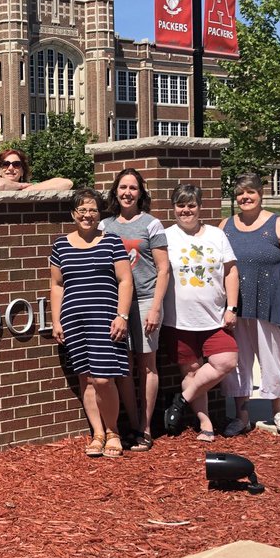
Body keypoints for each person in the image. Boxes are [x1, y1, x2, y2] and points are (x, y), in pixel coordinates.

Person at [220, 171, 280, 436]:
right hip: (237, 306)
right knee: (239, 361)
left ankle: (278, 410)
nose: (245, 197)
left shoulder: (278, 224)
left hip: (271, 303)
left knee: (272, 359)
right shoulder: (226, 226)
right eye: (240, 194)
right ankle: (241, 415)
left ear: (261, 194)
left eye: (250, 192)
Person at [49, 188, 133, 458]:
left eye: (93, 210)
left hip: (106, 320)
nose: (87, 215)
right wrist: (56, 321)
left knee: (104, 378)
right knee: (86, 379)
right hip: (74, 320)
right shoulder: (61, 245)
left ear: (100, 213)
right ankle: (97, 434)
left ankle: (113, 431)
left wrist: (122, 316)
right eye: (82, 210)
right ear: (73, 213)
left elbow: (125, 281)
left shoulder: (112, 241)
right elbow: (57, 285)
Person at [161, 183, 240, 443]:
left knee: (226, 360)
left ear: (200, 207)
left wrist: (231, 307)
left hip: (214, 317)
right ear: (174, 208)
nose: (186, 210)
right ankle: (205, 422)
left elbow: (230, 271)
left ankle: (180, 400)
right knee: (193, 373)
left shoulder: (216, 236)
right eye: (181, 205)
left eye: (191, 205)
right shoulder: (166, 236)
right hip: (179, 319)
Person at [99, 168, 170, 451]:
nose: (127, 192)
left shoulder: (152, 224)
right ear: (115, 191)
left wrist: (155, 308)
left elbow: (163, 270)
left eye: (133, 188)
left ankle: (146, 427)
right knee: (124, 367)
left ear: (141, 193)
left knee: (147, 364)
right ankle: (131, 422)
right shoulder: (106, 226)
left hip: (145, 301)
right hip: (119, 304)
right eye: (123, 187)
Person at [0, 146, 74, 192]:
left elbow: (67, 183)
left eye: (16, 164)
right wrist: (20, 187)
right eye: (5, 164)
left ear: (22, 171)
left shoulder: (33, 186)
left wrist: (28, 190)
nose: (11, 168)